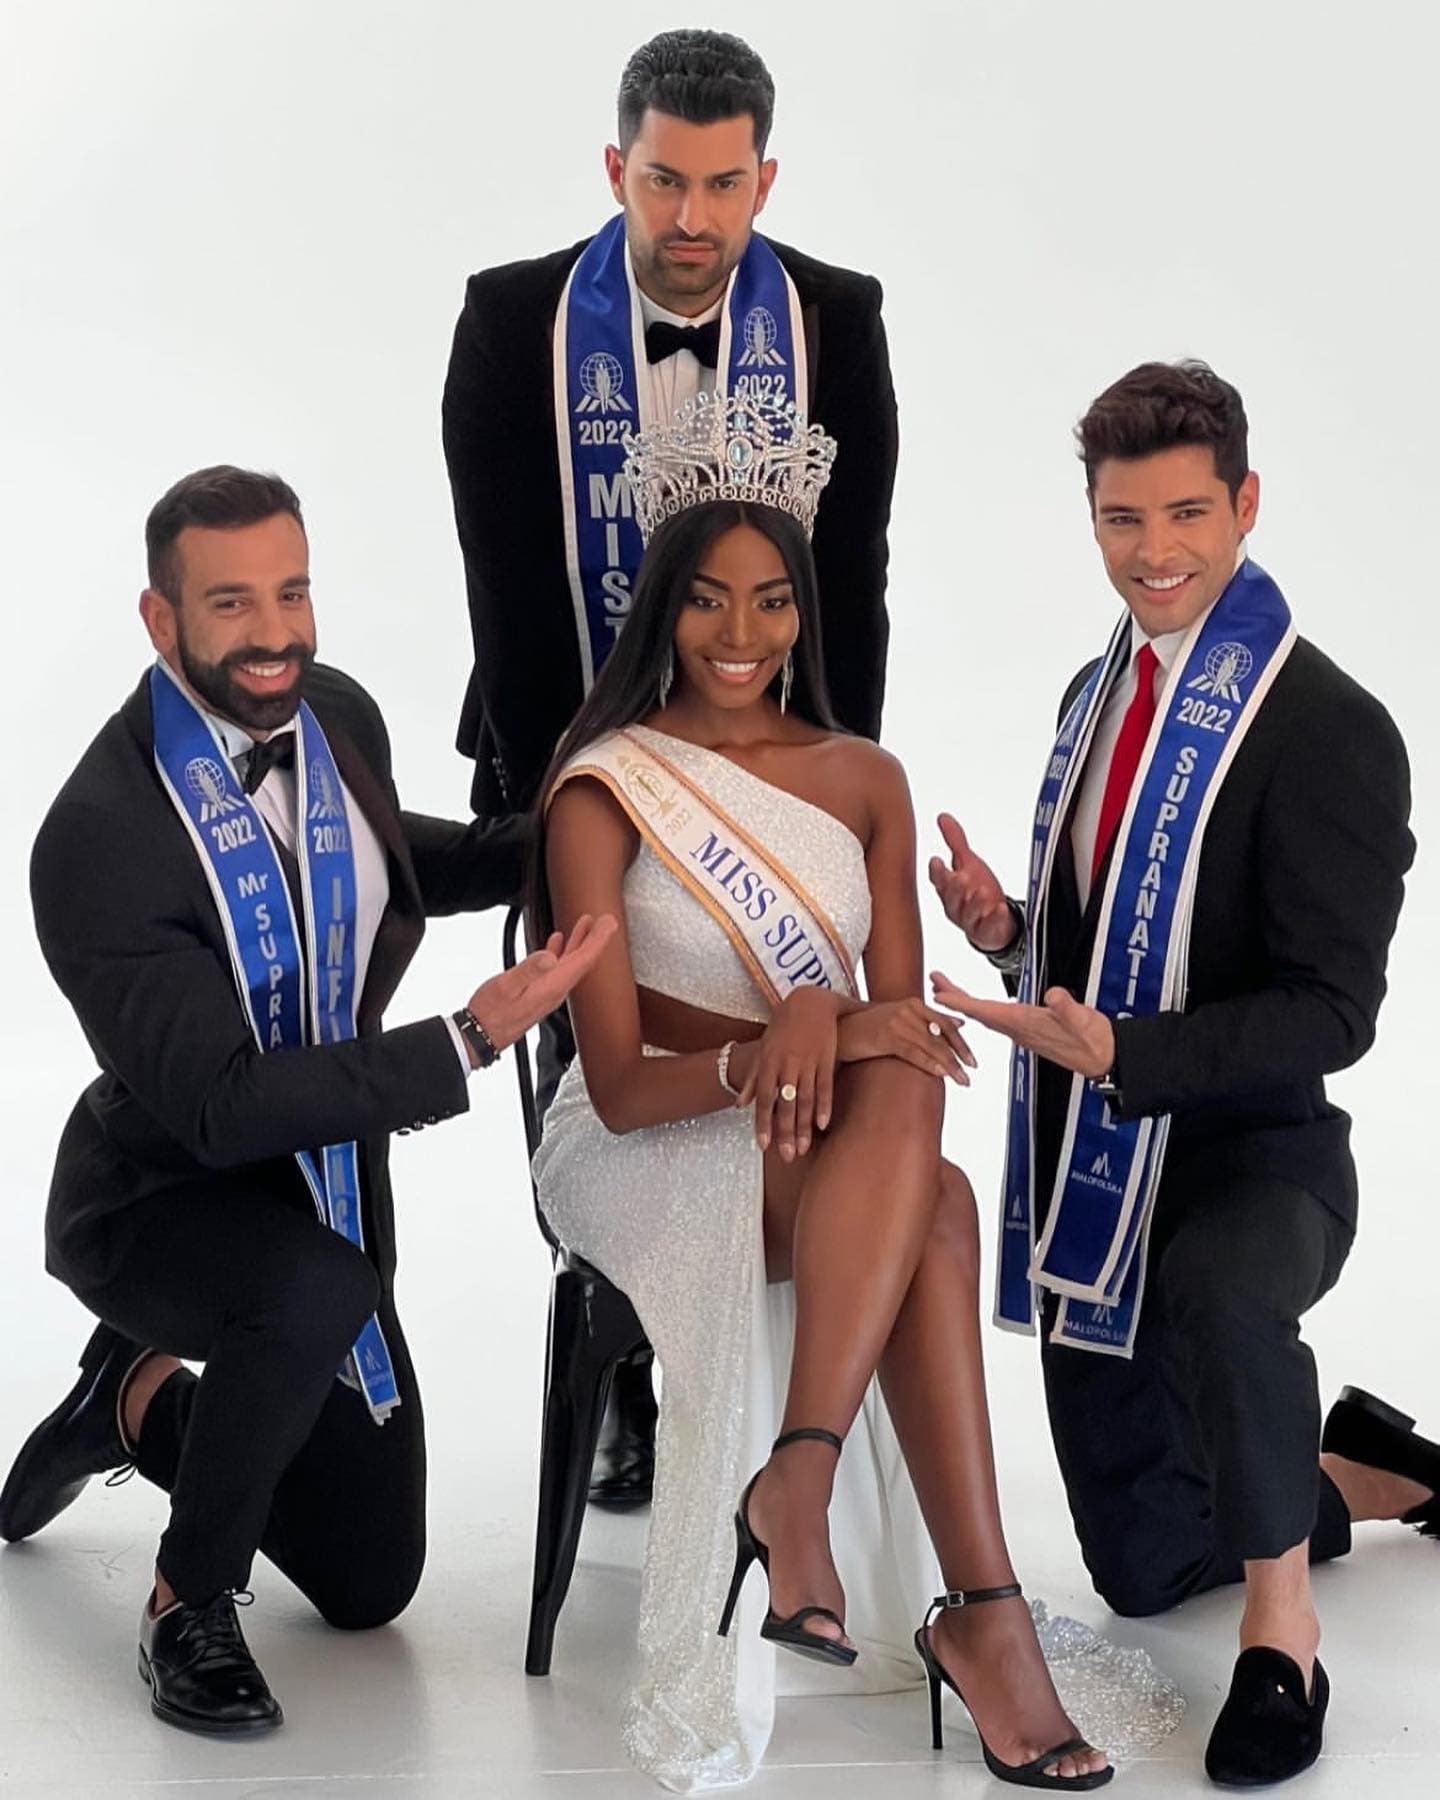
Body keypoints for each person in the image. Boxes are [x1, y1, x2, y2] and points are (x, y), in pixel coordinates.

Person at [531, 391, 1116, 1791]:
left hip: (823, 1139)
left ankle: (804, 1482)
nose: (741, 634)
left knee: (920, 1140)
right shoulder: (605, 790)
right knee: (938, 1203)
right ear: (663, 607)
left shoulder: (868, 780)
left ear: (806, 611)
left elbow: (900, 1033)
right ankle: (978, 1613)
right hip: (650, 1136)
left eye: (774, 600)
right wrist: (776, 1038)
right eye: (709, 600)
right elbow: (618, 1085)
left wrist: (821, 1011)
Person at [0, 467, 615, 1735]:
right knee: (314, 1288)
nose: (274, 632)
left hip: (323, 1182)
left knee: (369, 1582)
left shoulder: (334, 714)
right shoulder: (98, 836)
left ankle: (130, 1401)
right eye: (232, 602)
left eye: (293, 591)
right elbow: (224, 1108)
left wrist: (574, 840)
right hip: (161, 1194)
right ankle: (186, 1599)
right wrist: (467, 1038)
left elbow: (394, 864)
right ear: (160, 619)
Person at [928, 361, 1425, 1787]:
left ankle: (1285, 1637)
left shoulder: (1329, 727)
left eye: (1188, 514)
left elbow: (1336, 1011)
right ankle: (1372, 1468)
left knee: (1219, 1293)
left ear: (1247, 503)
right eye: (1123, 519)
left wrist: (1130, 1054)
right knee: (1144, 1570)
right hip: (1104, 1170)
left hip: (1259, 1162)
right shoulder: (1095, 696)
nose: (1156, 551)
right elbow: (1109, 942)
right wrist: (1012, 931)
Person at [443, 26, 901, 1508]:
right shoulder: (512, 320)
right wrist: (576, 807)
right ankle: (630, 1367)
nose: (691, 217)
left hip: (775, 756)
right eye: (662, 181)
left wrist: (821, 802)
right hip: (571, 756)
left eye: (721, 184)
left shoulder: (837, 319)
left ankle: (792, 1368)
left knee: (806, 1038)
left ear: (765, 178)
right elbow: (510, 592)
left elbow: (853, 586)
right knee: (612, 1072)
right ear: (614, 169)